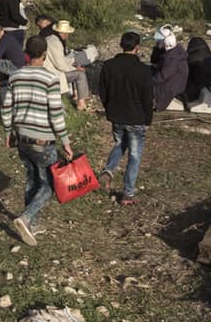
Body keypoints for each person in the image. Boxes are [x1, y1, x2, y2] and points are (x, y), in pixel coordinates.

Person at [0, 35, 75, 247]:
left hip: (22, 137)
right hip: (43, 139)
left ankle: (33, 224)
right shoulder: (50, 79)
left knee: (32, 178)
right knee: (49, 183)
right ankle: (26, 217)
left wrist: (8, 133)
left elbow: (7, 108)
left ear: (26, 53)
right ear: (44, 54)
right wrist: (66, 142)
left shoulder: (15, 76)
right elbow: (55, 114)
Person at [96, 31, 154, 204]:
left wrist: (109, 109)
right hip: (136, 118)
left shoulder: (108, 66)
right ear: (137, 47)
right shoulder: (143, 70)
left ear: (121, 45)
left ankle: (108, 172)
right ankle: (128, 193)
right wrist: (148, 119)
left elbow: (102, 91)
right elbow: (147, 98)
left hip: (116, 116)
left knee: (120, 144)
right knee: (134, 156)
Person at [43, 19, 90, 111]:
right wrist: (74, 67)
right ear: (63, 33)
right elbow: (61, 65)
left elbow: (60, 60)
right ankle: (81, 103)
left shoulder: (51, 39)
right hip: (52, 73)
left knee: (77, 70)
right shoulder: (55, 43)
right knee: (80, 74)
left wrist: (73, 63)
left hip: (50, 70)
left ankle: (78, 96)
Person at [152, 27, 189, 111]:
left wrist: (147, 80)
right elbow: (154, 60)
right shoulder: (171, 52)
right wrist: (156, 48)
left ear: (166, 42)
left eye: (160, 41)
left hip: (172, 86)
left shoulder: (173, 58)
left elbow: (162, 76)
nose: (158, 42)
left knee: (146, 85)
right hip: (170, 81)